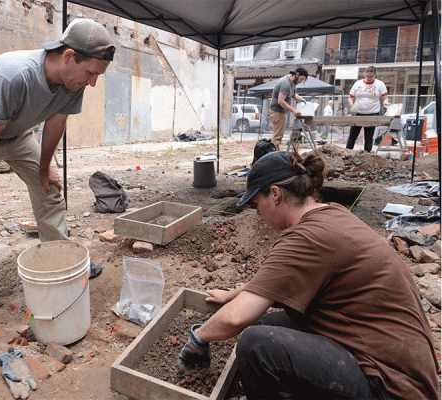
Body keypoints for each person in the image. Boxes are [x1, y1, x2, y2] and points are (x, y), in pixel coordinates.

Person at [178, 150, 440, 399]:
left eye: (256, 203)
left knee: (256, 345)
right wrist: (235, 294)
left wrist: (198, 337)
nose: (257, 213)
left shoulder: (305, 238)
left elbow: (236, 319)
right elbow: (280, 282)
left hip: (391, 387)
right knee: (269, 325)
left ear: (275, 194)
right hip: (396, 364)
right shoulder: (331, 215)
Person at [0, 18, 115, 331]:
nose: (93, 83)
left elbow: (56, 122)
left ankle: (64, 260)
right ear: (68, 57)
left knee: (50, 189)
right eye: (91, 73)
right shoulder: (16, 74)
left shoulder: (72, 82)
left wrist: (43, 167)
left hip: (17, 131)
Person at [346, 66, 391, 152]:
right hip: (358, 113)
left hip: (372, 113)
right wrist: (351, 105)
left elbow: (385, 97)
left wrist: (385, 102)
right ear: (365, 75)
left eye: (371, 76)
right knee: (353, 135)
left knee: (368, 136)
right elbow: (350, 97)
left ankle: (367, 155)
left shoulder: (379, 84)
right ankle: (347, 153)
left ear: (375, 75)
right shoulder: (358, 83)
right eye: (367, 76)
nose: (369, 78)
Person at [268, 67, 309, 151]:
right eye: (301, 79)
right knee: (277, 137)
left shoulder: (292, 83)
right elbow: (280, 101)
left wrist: (302, 99)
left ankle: (275, 154)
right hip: (277, 111)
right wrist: (293, 110)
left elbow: (293, 95)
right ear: (297, 74)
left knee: (279, 136)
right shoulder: (285, 83)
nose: (301, 81)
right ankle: (274, 157)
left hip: (281, 112)